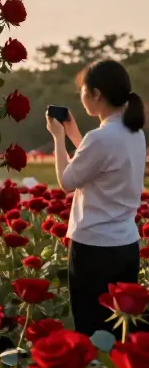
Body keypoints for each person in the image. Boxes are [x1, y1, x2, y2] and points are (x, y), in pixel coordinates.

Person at [49, 59, 146, 336]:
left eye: (83, 90)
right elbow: (98, 162)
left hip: (94, 248)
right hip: (126, 244)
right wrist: (73, 133)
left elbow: (67, 181)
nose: (81, 96)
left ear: (96, 94)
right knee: (120, 332)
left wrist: (58, 138)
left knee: (92, 330)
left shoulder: (100, 138)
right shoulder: (134, 132)